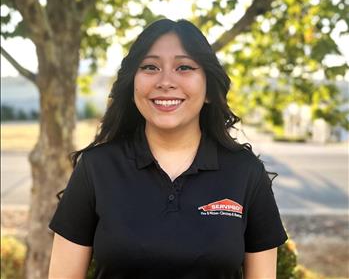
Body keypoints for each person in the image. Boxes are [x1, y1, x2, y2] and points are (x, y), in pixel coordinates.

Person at [48, 18, 287, 279]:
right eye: (150, 67)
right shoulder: (96, 168)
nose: (165, 81)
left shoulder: (246, 172)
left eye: (184, 67)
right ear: (133, 86)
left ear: (208, 90)